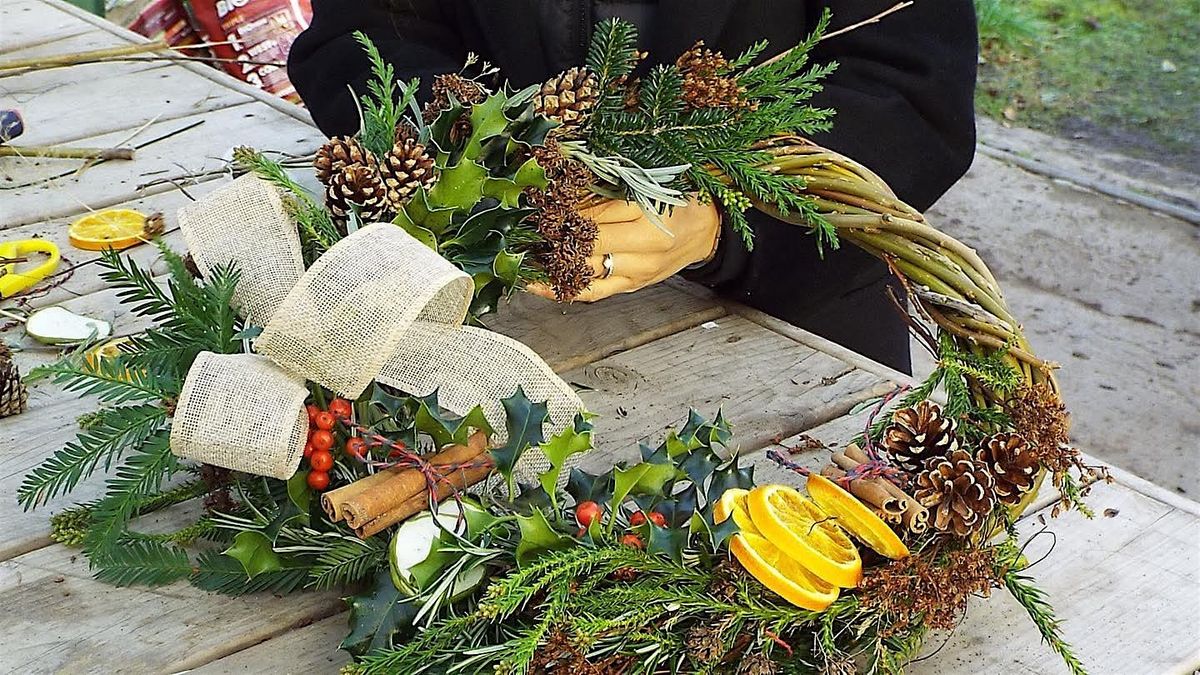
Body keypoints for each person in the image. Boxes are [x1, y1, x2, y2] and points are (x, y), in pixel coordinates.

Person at [287, 0, 978, 374]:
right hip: (488, 321)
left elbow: (912, 95)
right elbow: (362, 34)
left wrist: (722, 211)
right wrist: (481, 151)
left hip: (794, 338)